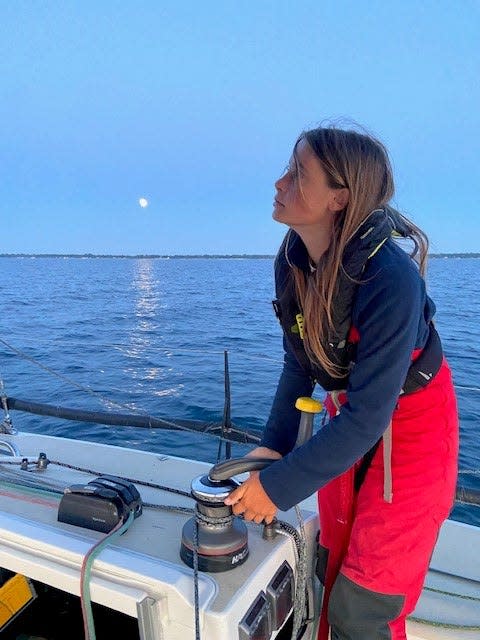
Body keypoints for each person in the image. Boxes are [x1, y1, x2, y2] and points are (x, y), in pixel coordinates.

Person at [224, 125, 459, 640]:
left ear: (340, 197)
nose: (279, 182)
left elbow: (371, 416)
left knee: (362, 605)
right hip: (349, 418)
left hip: (413, 433)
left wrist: (280, 487)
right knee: (328, 567)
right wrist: (273, 448)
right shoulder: (293, 264)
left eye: (298, 174)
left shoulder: (391, 280)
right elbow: (300, 363)